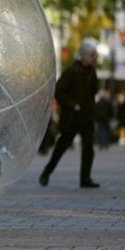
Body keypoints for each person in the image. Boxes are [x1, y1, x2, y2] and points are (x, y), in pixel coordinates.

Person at [39, 38, 99, 188]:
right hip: (72, 117)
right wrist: (73, 104)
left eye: (94, 56)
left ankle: (85, 179)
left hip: (86, 116)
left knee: (88, 148)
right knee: (62, 146)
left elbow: (93, 92)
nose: (93, 59)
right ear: (83, 55)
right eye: (91, 55)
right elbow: (58, 91)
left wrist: (91, 108)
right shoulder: (71, 71)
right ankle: (47, 171)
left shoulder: (92, 72)